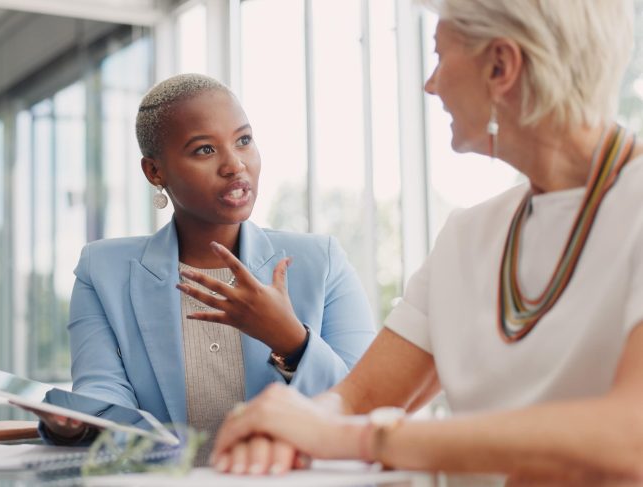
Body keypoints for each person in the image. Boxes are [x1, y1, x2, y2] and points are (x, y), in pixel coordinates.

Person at [208, 0, 643, 482]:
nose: (430, 84)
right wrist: (286, 426)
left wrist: (357, 438)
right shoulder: (469, 234)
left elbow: (631, 434)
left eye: (439, 56)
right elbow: (358, 399)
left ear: (501, 66)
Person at [37, 73, 376, 452]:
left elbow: (367, 404)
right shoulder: (102, 271)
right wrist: (73, 425)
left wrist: (291, 341)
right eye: (204, 150)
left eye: (244, 141)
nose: (235, 165)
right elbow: (104, 392)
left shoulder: (321, 262)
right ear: (155, 172)